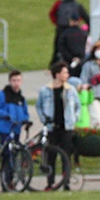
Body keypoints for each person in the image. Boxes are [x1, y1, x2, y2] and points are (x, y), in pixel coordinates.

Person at [37, 61, 80, 190]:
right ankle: (50, 182)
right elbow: (39, 106)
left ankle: (65, 182)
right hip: (52, 127)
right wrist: (44, 119)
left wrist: (74, 119)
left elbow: (78, 106)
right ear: (57, 74)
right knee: (51, 155)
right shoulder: (45, 90)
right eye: (64, 72)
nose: (67, 75)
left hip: (66, 127)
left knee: (66, 155)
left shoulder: (70, 90)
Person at [52, 0, 89, 65]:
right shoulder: (78, 5)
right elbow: (87, 19)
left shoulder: (60, 5)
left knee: (59, 50)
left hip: (61, 31)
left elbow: (53, 15)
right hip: (75, 33)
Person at [80, 42, 100, 127]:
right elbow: (83, 81)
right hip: (93, 96)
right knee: (97, 120)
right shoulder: (88, 65)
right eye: (98, 49)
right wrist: (91, 83)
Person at [56, 13, 88, 78]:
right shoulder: (83, 33)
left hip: (68, 61)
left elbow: (61, 48)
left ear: (70, 21)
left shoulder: (65, 33)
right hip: (81, 61)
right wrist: (80, 59)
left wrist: (71, 58)